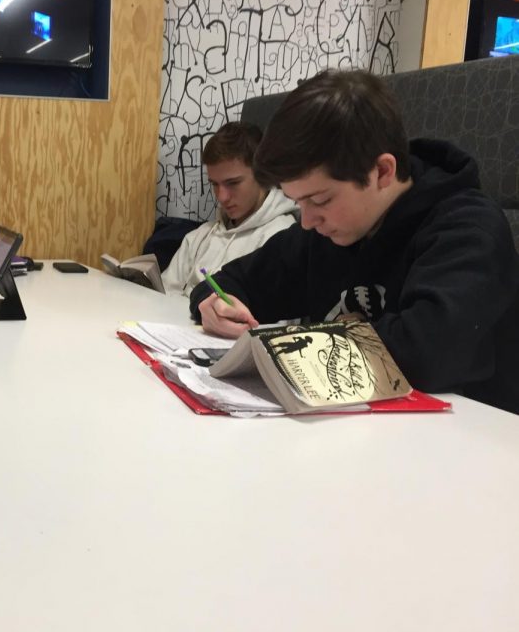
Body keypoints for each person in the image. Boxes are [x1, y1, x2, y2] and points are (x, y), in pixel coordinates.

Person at [190, 69, 519, 414]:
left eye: (319, 201)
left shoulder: (468, 229)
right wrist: (214, 303)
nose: (306, 220)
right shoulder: (324, 231)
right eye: (297, 201)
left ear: (382, 172)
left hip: (471, 442)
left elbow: (428, 354)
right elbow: (232, 281)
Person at [162, 122, 297, 296]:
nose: (222, 197)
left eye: (233, 183)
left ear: (262, 174)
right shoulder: (199, 237)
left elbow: (279, 320)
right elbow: (163, 294)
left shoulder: (283, 238)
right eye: (215, 184)